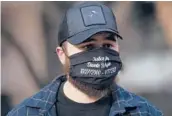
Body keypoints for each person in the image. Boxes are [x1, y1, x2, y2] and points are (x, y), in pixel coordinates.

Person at [7, 2, 163, 116]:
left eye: (108, 45)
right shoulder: (26, 113)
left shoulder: (144, 111)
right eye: (88, 47)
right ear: (62, 54)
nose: (101, 55)